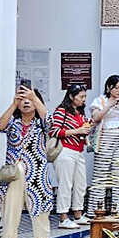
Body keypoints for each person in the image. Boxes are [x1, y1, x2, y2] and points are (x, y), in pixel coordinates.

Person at [0, 85, 54, 238]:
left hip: (37, 175)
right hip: (13, 175)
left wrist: (34, 97)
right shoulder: (14, 122)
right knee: (10, 212)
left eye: (30, 100)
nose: (26, 103)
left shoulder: (41, 123)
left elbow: (51, 123)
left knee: (40, 213)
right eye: (23, 100)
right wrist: (13, 104)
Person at [88, 75, 119, 215]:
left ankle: (118, 210)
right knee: (100, 175)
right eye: (116, 88)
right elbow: (95, 117)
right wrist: (109, 105)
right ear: (109, 87)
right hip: (105, 137)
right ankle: (95, 210)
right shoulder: (100, 101)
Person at [50, 84, 93, 229]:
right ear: (71, 96)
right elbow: (54, 131)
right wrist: (77, 130)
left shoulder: (80, 112)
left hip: (79, 150)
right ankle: (63, 217)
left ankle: (78, 214)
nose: (83, 99)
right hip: (65, 151)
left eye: (84, 96)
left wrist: (86, 129)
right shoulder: (61, 111)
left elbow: (82, 130)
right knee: (65, 184)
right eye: (81, 96)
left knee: (80, 184)